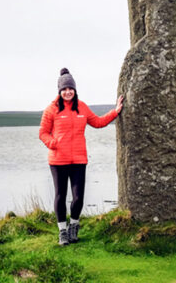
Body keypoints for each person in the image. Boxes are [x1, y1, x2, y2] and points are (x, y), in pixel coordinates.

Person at [39, 67, 123, 246]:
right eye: (64, 89)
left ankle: (74, 226)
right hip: (58, 160)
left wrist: (115, 111)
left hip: (79, 160)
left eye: (71, 89)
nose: (68, 92)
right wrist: (54, 143)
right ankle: (62, 231)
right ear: (60, 91)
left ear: (75, 90)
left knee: (78, 197)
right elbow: (43, 133)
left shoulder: (82, 107)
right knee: (60, 195)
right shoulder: (51, 109)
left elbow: (98, 122)